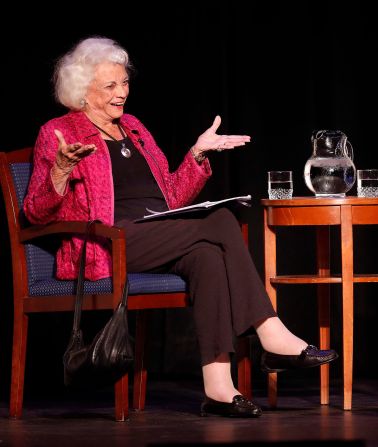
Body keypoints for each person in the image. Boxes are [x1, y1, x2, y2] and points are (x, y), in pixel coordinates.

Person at [24, 36, 338, 418]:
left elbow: (171, 197)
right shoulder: (60, 132)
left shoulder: (134, 128)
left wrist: (198, 153)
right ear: (82, 91)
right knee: (221, 221)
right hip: (108, 243)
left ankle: (219, 387)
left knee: (207, 256)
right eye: (109, 86)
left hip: (157, 230)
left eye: (124, 82)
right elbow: (36, 213)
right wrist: (60, 170)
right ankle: (268, 329)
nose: (121, 93)